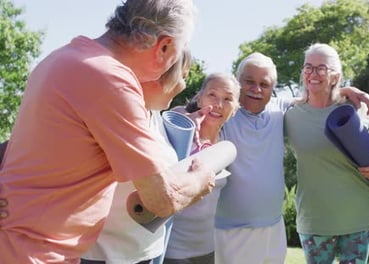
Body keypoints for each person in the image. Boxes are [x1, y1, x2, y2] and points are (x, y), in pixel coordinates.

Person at [0, 1, 216, 263]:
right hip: (36, 252)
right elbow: (161, 199)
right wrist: (201, 179)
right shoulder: (111, 79)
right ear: (165, 47)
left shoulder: (61, 58)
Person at [214, 52, 369, 264]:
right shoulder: (223, 115)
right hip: (230, 230)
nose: (257, 89)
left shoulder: (279, 109)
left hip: (273, 228)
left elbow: (316, 96)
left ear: (273, 89)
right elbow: (195, 110)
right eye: (249, 82)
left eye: (265, 84)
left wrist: (344, 89)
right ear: (237, 82)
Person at [284, 43, 369, 264]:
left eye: (321, 68)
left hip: (358, 217)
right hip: (315, 220)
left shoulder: (355, 110)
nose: (313, 74)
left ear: (336, 76)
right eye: (308, 67)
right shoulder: (290, 115)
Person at [81, 50, 192, 264]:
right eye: (183, 76)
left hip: (143, 253)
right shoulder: (115, 112)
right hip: (99, 255)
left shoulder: (156, 116)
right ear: (161, 72)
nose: (183, 86)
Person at [164, 72, 240, 264]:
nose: (218, 104)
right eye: (212, 95)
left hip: (205, 250)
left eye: (228, 99)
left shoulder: (225, 147)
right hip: (171, 251)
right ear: (199, 98)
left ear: (235, 109)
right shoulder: (179, 135)